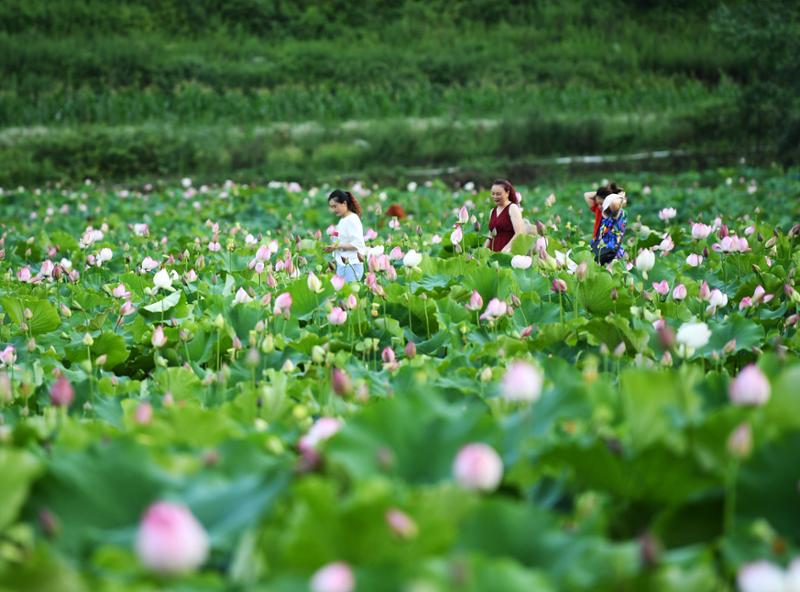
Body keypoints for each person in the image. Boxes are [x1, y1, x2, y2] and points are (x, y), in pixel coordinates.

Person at [324, 189, 366, 282]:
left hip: (352, 266)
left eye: (335, 206)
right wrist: (333, 263)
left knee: (348, 290)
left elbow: (357, 244)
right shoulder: (343, 220)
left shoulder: (352, 219)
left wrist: (336, 246)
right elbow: (341, 243)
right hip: (342, 265)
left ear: (344, 203)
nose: (333, 210)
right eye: (332, 207)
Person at [485, 179, 526, 252]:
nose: (495, 197)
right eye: (493, 194)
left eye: (498, 194)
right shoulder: (492, 211)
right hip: (492, 251)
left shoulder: (512, 208)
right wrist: (482, 251)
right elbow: (490, 235)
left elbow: (519, 233)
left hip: (507, 251)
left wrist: (504, 250)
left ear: (507, 193)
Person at [591, 193, 627, 264]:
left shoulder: (622, 216)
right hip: (603, 248)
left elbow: (617, 235)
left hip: (613, 250)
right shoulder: (606, 220)